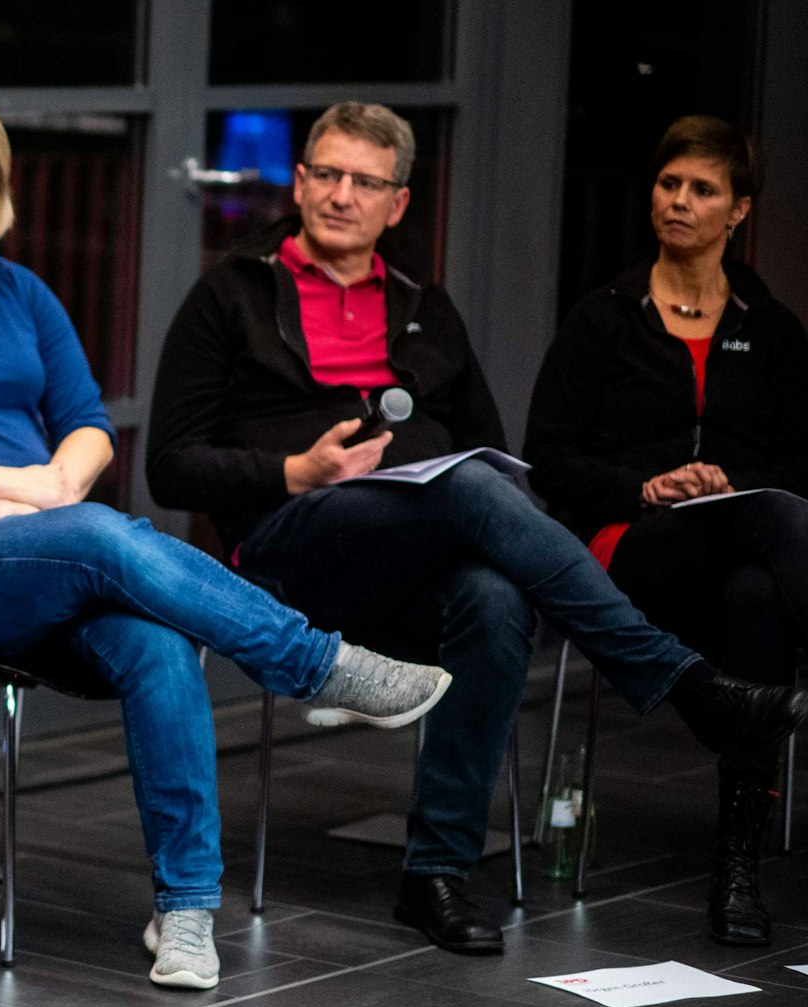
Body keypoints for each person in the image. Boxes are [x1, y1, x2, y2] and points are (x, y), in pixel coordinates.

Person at [0, 81, 453, 993]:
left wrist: (51, 493)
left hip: (50, 544)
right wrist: (17, 486)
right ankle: (315, 662)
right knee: (104, 537)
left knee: (156, 635)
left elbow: (90, 424)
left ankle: (185, 912)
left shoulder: (19, 292)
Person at [148, 101, 808, 956]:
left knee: (494, 591)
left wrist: (463, 487)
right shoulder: (227, 296)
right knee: (466, 491)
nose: (340, 194)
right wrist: (292, 471)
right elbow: (169, 463)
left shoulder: (425, 306)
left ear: (399, 203)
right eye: (326, 174)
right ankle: (678, 679)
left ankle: (436, 873)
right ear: (301, 182)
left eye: (365, 181)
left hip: (415, 548)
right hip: (290, 545)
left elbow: (492, 454)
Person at [526, 116, 808, 945]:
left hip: (739, 555)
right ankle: (740, 857)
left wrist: (733, 486)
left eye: (703, 190)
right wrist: (642, 486)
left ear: (739, 210)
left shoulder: (775, 329)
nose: (679, 202)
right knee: (772, 517)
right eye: (668, 183)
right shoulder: (602, 319)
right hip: (626, 549)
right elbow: (548, 459)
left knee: (759, 592)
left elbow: (803, 460)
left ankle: (738, 868)